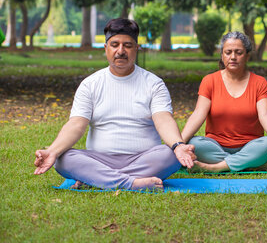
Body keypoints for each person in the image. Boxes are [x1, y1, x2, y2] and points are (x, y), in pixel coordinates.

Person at [33, 18, 195, 190]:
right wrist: (52, 151)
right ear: (105, 48)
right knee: (62, 159)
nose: (121, 51)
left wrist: (178, 146)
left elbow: (163, 119)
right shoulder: (90, 84)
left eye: (128, 45)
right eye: (115, 44)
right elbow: (76, 125)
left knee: (170, 155)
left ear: (136, 49)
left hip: (144, 158)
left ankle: (95, 179)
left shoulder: (154, 83)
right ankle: (131, 183)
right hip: (99, 158)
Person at [181, 31, 267, 172]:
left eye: (238, 52)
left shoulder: (260, 82)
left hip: (250, 146)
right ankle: (246, 162)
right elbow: (198, 113)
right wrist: (179, 144)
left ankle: (217, 167)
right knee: (194, 143)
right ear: (222, 56)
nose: (233, 57)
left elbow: (266, 114)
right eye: (228, 52)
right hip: (216, 147)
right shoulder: (209, 81)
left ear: (247, 56)